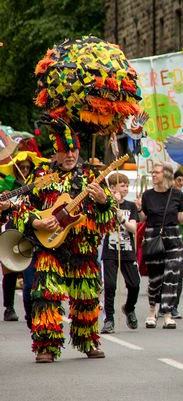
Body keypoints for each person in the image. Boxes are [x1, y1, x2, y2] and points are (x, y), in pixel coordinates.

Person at [14, 114, 117, 363]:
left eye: (74, 150)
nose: (70, 155)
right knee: (46, 295)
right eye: (64, 151)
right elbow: (21, 208)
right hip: (50, 247)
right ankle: (46, 346)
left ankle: (87, 339)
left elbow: (110, 217)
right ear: (56, 152)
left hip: (83, 249)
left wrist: (103, 201)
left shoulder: (92, 176)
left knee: (86, 298)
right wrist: (37, 221)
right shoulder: (41, 175)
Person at [136, 162, 183, 329]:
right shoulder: (147, 195)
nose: (153, 175)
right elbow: (143, 219)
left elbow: (181, 219)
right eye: (152, 172)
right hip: (153, 236)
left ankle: (168, 314)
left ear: (166, 175)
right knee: (155, 277)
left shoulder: (176, 194)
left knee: (172, 276)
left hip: (174, 238)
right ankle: (152, 310)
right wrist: (139, 208)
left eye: (157, 172)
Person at [1, 151, 45, 323]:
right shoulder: (7, 184)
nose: (25, 169)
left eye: (28, 166)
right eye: (22, 166)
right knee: (10, 273)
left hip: (29, 235)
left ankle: (30, 310)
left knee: (29, 279)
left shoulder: (34, 186)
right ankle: (9, 307)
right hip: (11, 233)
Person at [100, 172, 140, 334]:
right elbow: (101, 223)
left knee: (134, 284)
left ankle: (129, 308)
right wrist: (112, 205)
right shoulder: (106, 205)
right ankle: (109, 319)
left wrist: (122, 219)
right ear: (112, 187)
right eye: (122, 185)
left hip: (127, 250)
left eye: (126, 185)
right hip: (110, 250)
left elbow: (134, 228)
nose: (125, 188)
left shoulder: (130, 206)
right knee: (110, 286)